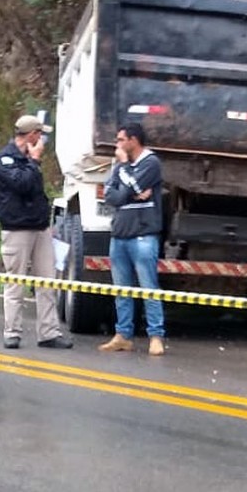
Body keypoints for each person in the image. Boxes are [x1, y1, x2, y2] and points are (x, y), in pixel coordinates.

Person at [0, 114, 73, 350]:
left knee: (47, 281)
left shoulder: (28, 161)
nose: (42, 140)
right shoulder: (5, 159)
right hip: (17, 228)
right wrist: (35, 160)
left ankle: (49, 332)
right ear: (31, 135)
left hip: (39, 227)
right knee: (15, 281)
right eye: (40, 135)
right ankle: (12, 332)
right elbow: (21, 184)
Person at [98, 122, 167, 356]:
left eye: (120, 140)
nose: (117, 144)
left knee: (149, 287)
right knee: (121, 289)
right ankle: (123, 335)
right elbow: (111, 195)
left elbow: (134, 186)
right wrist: (130, 191)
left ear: (133, 140)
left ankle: (156, 336)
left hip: (143, 235)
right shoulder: (120, 165)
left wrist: (125, 171)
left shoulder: (151, 163)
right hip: (119, 234)